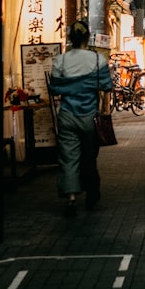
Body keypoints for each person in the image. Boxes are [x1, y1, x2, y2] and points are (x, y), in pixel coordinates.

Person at [47, 20, 113, 216]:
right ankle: (92, 191)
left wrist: (71, 86)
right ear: (87, 38)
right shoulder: (97, 60)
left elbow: (55, 88)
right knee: (89, 156)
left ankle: (71, 199)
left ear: (70, 39)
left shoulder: (61, 60)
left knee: (68, 158)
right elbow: (107, 86)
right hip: (90, 116)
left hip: (67, 115)